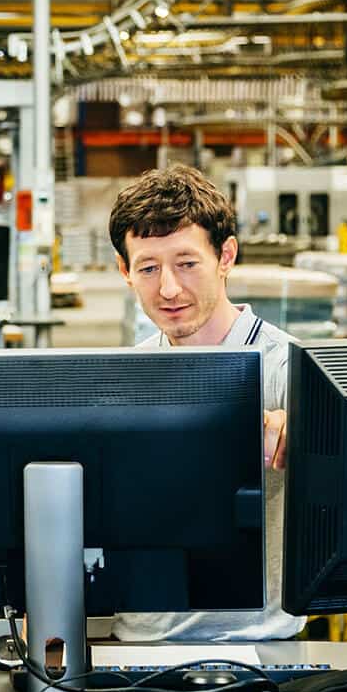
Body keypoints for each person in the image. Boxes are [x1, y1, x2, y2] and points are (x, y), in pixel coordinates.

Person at [107, 163, 307, 642]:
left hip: (258, 649)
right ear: (124, 271)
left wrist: (311, 434)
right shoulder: (120, 380)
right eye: (149, 268)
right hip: (137, 645)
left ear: (226, 256)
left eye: (187, 263)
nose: (169, 289)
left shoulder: (289, 370)